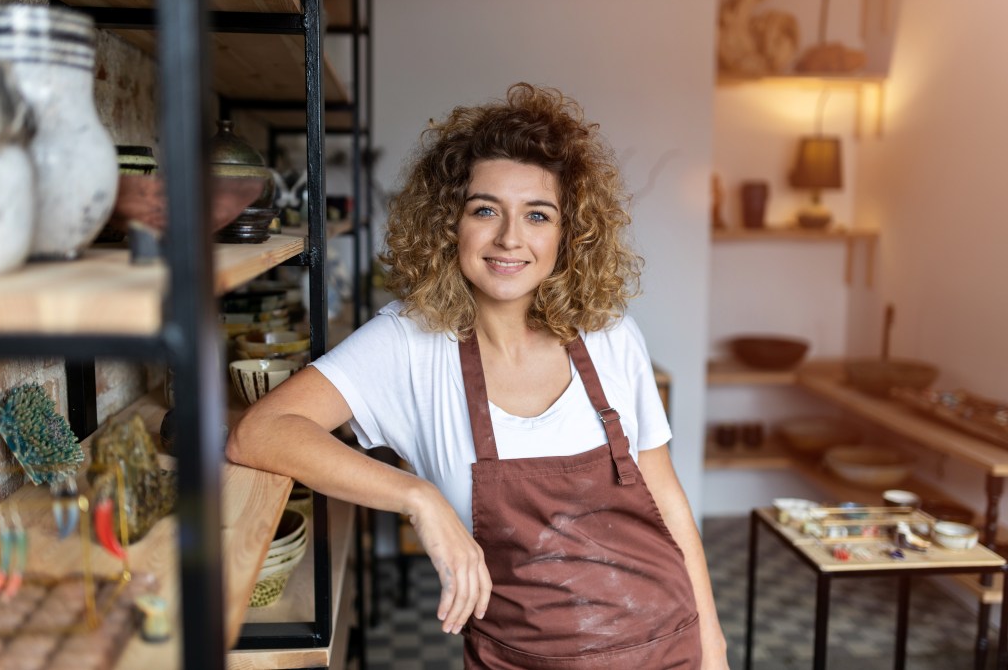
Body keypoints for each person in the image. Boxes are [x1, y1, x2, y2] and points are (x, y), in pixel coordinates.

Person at [226, 82, 728, 668]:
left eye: (537, 215)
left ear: (567, 237)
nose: (510, 238)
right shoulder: (409, 342)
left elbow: (665, 497)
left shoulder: (610, 334)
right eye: (485, 209)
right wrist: (418, 498)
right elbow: (260, 431)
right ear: (449, 224)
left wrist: (711, 641)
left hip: (667, 644)